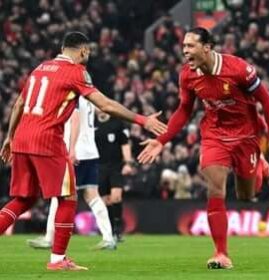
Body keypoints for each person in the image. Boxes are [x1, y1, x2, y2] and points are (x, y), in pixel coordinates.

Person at [0, 31, 166, 271]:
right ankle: (58, 260)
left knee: (23, 199)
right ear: (82, 51)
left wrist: (9, 137)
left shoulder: (41, 67)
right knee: (68, 198)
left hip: (22, 139)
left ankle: (59, 256)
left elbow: (18, 103)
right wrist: (142, 120)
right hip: (47, 141)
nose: (88, 54)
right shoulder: (76, 72)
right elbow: (105, 104)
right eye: (87, 50)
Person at [138, 27, 269, 269]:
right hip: (214, 135)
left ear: (207, 47)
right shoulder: (188, 75)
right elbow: (185, 110)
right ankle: (221, 253)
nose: (185, 50)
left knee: (246, 195)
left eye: (190, 46)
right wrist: (162, 139)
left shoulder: (239, 69)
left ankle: (261, 165)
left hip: (246, 136)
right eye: (184, 46)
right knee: (215, 189)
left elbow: (267, 102)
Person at [27, 97, 116, 250]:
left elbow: (75, 119)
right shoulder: (88, 96)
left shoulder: (73, 95)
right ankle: (108, 238)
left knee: (59, 193)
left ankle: (49, 238)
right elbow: (99, 110)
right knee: (92, 195)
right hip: (90, 151)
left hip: (77, 152)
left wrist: (72, 148)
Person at [95, 111, 135, 242]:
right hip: (99, 167)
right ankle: (110, 230)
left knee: (116, 197)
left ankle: (118, 230)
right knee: (105, 200)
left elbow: (125, 144)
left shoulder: (117, 123)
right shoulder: (91, 123)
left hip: (116, 166)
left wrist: (128, 163)